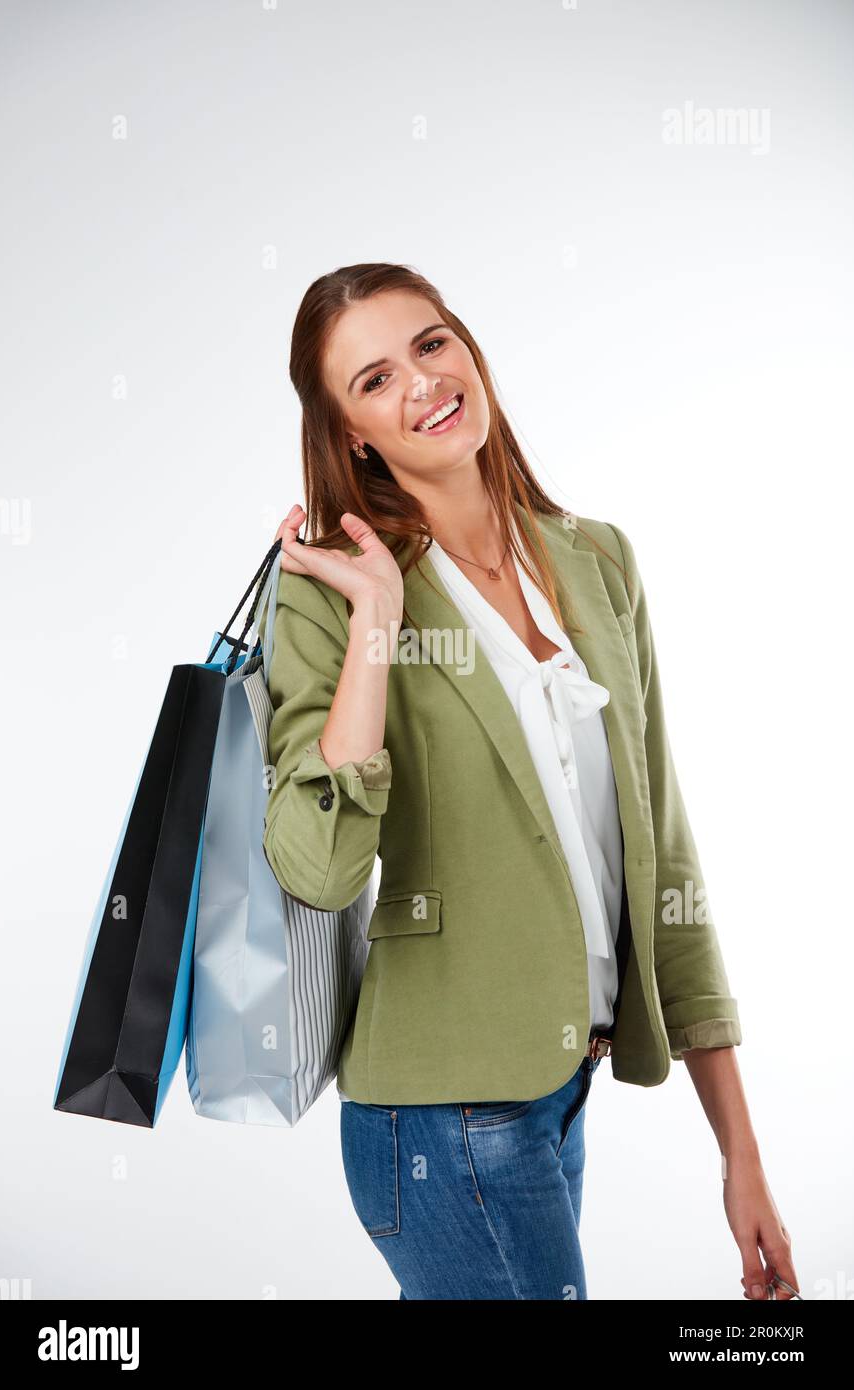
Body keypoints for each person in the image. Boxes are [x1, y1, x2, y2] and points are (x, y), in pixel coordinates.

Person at [262, 262, 798, 1301]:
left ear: (465, 346)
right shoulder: (333, 592)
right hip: (439, 1113)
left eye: (428, 343)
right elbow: (318, 865)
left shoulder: (595, 560)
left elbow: (665, 856)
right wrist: (377, 619)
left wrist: (738, 1152)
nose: (419, 382)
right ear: (350, 436)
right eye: (372, 380)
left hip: (557, 1092)